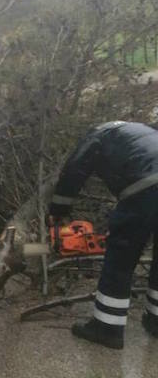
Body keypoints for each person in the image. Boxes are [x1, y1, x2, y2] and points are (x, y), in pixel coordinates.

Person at [48, 121, 158, 349]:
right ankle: (156, 321)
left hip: (145, 190)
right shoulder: (143, 131)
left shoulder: (98, 134)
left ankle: (107, 328)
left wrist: (59, 210)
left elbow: (75, 170)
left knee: (121, 260)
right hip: (148, 183)